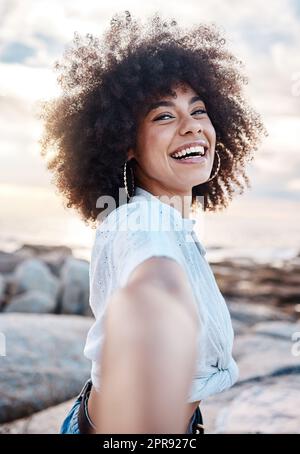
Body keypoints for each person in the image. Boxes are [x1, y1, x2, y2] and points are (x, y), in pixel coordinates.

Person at [39, 11, 266, 434]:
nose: (191, 127)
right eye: (164, 116)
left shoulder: (173, 224)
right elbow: (154, 286)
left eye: (198, 111)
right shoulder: (137, 220)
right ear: (125, 142)